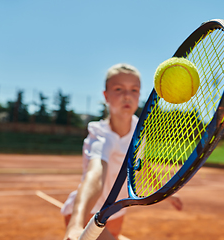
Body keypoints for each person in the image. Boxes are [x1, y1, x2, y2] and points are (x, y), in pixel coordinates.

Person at [62, 63, 182, 240]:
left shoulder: (138, 130)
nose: (127, 96)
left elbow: (140, 166)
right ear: (106, 96)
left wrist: (163, 192)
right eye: (118, 89)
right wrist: (76, 224)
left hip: (115, 212)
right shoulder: (101, 135)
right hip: (88, 214)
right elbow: (95, 176)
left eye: (134, 90)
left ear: (140, 95)